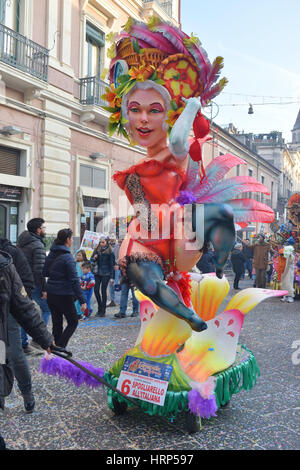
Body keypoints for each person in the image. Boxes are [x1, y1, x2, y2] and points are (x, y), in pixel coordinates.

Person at [0, 250, 54, 450]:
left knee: (13, 354)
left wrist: (44, 337)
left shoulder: (4, 263)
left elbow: (23, 305)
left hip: (3, 332)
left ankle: (28, 395)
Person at [0, 238, 37, 412]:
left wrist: (18, 303)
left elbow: (28, 282)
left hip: (11, 310)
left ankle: (27, 393)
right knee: (0, 354)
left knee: (14, 354)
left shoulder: (12, 252)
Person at [43, 228, 87, 348]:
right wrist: (82, 300)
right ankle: (60, 347)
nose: (72, 240)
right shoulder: (68, 258)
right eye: (72, 238)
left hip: (52, 293)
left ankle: (56, 347)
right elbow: (74, 281)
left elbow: (45, 272)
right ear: (68, 240)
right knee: (73, 322)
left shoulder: (51, 254)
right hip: (64, 295)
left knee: (57, 324)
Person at [17, 217, 51, 353]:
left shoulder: (22, 242)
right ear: (38, 230)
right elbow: (39, 270)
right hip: (33, 283)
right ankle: (38, 339)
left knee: (23, 312)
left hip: (20, 281)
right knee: (47, 309)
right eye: (43, 228)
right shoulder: (37, 245)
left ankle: (23, 343)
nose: (44, 230)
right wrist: (44, 288)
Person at [90, 237, 115, 317]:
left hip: (106, 273)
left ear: (106, 242)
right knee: (96, 290)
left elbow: (112, 265)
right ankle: (99, 307)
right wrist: (94, 258)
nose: (101, 243)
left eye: (103, 242)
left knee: (103, 291)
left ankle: (103, 310)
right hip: (97, 273)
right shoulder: (96, 250)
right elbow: (91, 260)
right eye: (100, 242)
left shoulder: (110, 251)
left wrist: (112, 277)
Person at [107, 236, 121, 307]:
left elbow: (120, 256)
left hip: (117, 267)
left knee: (117, 283)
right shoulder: (107, 247)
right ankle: (112, 300)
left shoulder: (118, 246)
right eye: (109, 240)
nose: (111, 241)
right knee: (111, 284)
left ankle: (118, 300)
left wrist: (116, 262)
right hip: (110, 268)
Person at [75, 249, 88, 318]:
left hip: (83, 282)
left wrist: (82, 268)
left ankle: (81, 312)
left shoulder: (86, 263)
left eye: (80, 255)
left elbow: (88, 273)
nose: (78, 257)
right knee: (75, 298)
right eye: (77, 255)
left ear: (83, 256)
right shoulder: (74, 263)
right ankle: (76, 312)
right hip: (76, 282)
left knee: (82, 298)